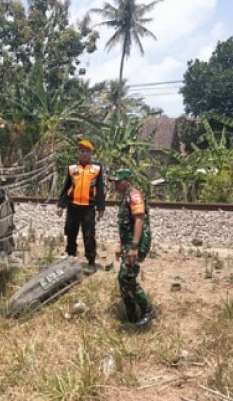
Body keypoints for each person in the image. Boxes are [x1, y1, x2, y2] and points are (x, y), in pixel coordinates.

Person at [110, 168, 156, 327]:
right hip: (129, 244)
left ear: (127, 181)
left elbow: (138, 220)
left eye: (118, 182)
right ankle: (131, 316)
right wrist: (122, 246)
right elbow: (126, 225)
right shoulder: (126, 197)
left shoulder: (134, 196)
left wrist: (134, 247)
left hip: (137, 243)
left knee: (126, 277)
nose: (115, 185)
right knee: (123, 279)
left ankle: (147, 310)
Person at [57, 139, 105, 267]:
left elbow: (100, 189)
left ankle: (91, 260)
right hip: (73, 206)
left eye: (87, 152)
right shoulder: (72, 169)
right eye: (82, 151)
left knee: (89, 235)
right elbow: (66, 187)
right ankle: (70, 256)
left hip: (88, 208)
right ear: (78, 153)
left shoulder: (96, 169)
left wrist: (101, 208)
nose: (84, 154)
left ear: (91, 154)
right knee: (71, 232)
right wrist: (61, 205)